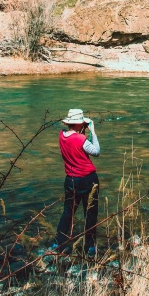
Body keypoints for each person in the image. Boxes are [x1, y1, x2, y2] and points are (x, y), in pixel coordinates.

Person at [55, 108, 100, 257]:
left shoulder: (62, 136)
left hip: (70, 180)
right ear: (79, 124)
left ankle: (58, 243)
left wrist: (81, 131)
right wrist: (92, 132)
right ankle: (90, 248)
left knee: (68, 213)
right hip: (88, 179)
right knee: (90, 213)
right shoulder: (81, 140)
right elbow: (96, 151)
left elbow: (74, 144)